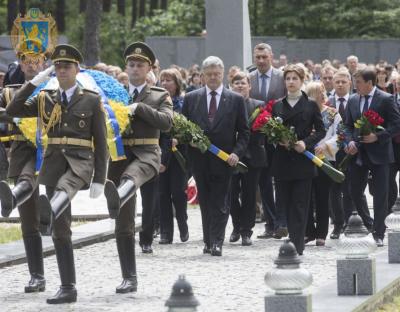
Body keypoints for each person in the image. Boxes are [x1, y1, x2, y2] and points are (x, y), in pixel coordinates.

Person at [6, 44, 109, 304]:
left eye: (67, 66)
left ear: (77, 69)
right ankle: (68, 287)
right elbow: (13, 110)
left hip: (78, 163)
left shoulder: (91, 98)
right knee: (61, 229)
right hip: (52, 165)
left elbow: (102, 141)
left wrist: (99, 178)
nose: (62, 70)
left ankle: (50, 207)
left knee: (64, 189)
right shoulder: (45, 97)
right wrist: (36, 82)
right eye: (58, 67)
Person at [104, 42, 173, 292]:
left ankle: (122, 191)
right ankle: (129, 277)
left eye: (140, 65)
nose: (134, 69)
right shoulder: (114, 93)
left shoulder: (159, 95)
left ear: (149, 69)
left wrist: (140, 108)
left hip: (146, 154)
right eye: (131, 64)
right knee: (123, 224)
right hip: (120, 158)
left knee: (131, 178)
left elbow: (166, 123)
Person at [182, 56, 249, 256]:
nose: (213, 77)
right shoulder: (192, 98)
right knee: (206, 201)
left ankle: (217, 242)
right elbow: (183, 128)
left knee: (221, 202)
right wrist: (189, 141)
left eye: (217, 74)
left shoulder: (235, 99)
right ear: (202, 76)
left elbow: (244, 132)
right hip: (200, 160)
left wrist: (237, 153)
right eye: (209, 74)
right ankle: (208, 240)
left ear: (222, 74)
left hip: (224, 160)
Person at [0, 39, 47, 294]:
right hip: (22, 154)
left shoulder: (55, 88)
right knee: (28, 221)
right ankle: (36, 276)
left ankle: (66, 278)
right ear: (20, 63)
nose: (31, 64)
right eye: (26, 60)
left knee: (60, 224)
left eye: (36, 59)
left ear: (44, 62)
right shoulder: (10, 91)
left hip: (52, 155)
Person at [271, 64, 325, 255]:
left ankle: (297, 245)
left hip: (302, 161)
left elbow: (321, 130)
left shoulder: (310, 104)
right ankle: (293, 238)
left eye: (295, 78)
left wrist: (305, 143)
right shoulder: (277, 105)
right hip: (282, 161)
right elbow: (269, 132)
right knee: (285, 203)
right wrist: (279, 140)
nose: (291, 82)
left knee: (300, 204)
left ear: (302, 81)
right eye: (288, 79)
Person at [345, 67, 400, 247]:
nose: (355, 86)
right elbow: (347, 126)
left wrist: (378, 136)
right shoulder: (352, 100)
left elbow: (396, 124)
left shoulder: (385, 99)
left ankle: (379, 232)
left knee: (380, 194)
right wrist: (350, 142)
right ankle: (370, 224)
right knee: (354, 190)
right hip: (358, 154)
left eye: (358, 83)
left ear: (369, 83)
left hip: (380, 154)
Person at [249, 43, 286, 240]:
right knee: (263, 183)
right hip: (257, 139)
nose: (261, 61)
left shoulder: (282, 77)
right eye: (258, 57)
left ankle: (282, 222)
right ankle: (270, 223)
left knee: (279, 180)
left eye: (264, 57)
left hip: (278, 138)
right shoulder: (249, 78)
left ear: (271, 57)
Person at [229, 71, 266, 246]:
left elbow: (262, 132)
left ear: (249, 86)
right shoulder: (227, 105)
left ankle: (246, 231)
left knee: (250, 195)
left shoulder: (259, 105)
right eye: (236, 83)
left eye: (243, 83)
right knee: (231, 194)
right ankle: (236, 226)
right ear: (231, 86)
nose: (240, 85)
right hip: (230, 157)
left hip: (252, 156)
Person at [304, 81, 341, 246]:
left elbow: (340, 136)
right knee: (306, 198)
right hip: (306, 159)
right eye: (317, 92)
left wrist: (326, 146)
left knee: (322, 197)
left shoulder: (333, 114)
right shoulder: (304, 114)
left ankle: (321, 233)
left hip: (325, 160)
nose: (322, 94)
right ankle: (308, 232)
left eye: (322, 91)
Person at [158, 68, 189, 244]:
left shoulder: (184, 103)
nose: (164, 83)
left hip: (179, 155)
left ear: (177, 83)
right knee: (162, 194)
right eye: (162, 80)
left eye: (168, 80)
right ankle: (165, 232)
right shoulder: (156, 102)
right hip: (161, 153)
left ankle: (182, 224)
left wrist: (180, 138)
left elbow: (191, 126)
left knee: (178, 193)